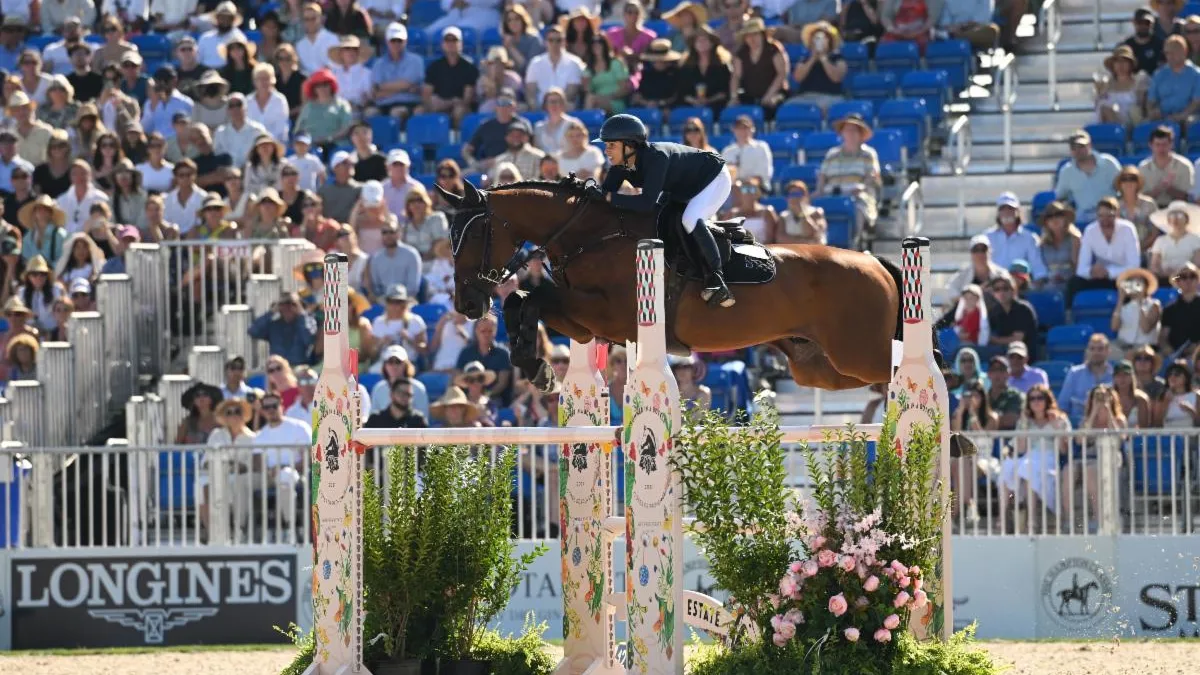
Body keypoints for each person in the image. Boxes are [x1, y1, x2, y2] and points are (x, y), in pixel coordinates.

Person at [593, 113, 735, 307]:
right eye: (606, 145)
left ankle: (717, 280)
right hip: (684, 187)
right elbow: (604, 194)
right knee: (661, 219)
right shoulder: (621, 164)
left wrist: (609, 198)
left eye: (611, 145)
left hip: (713, 178)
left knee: (690, 219)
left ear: (629, 145)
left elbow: (645, 203)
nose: (606, 150)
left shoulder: (656, 157)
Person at [1001, 384, 1071, 534]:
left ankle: (1031, 521)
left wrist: (1056, 426)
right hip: (1029, 456)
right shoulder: (1025, 421)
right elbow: (1020, 449)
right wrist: (1025, 424)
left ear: (1047, 400)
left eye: (1040, 398)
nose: (1036, 402)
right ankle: (1002, 519)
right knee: (1007, 468)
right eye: (1032, 399)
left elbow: (1063, 450)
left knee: (1027, 468)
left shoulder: (1060, 418)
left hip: (1050, 457)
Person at [249, 390, 310, 543]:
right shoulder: (260, 435)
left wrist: (284, 467)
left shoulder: (299, 427)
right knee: (240, 482)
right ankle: (245, 532)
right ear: (262, 410)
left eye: (274, 406)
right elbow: (256, 460)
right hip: (268, 476)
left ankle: (289, 528)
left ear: (281, 405)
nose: (270, 410)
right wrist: (268, 471)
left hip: (296, 473)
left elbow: (309, 456)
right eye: (266, 407)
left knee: (285, 476)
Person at [818, 113, 881, 238]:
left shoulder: (868, 154)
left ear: (860, 134)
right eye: (847, 130)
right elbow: (822, 177)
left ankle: (854, 244)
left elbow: (873, 177)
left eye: (854, 130)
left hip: (857, 196)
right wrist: (819, 191)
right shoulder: (831, 154)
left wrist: (862, 187)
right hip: (832, 195)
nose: (850, 133)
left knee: (857, 209)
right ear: (842, 133)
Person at [1070, 196, 1141, 303]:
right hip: (1098, 277)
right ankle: (1070, 315)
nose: (1105, 221)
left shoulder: (1128, 229)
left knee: (1134, 284)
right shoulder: (1090, 231)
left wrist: (1109, 272)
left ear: (1117, 214)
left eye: (1109, 216)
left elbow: (1134, 265)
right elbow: (1081, 268)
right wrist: (1091, 271)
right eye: (1101, 216)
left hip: (1122, 277)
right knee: (1074, 283)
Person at [949, 379, 996, 527]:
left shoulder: (991, 417)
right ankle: (969, 504)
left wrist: (973, 413)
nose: (972, 399)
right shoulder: (959, 414)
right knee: (960, 462)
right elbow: (955, 435)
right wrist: (961, 411)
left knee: (960, 463)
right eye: (968, 395)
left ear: (983, 397)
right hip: (962, 458)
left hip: (983, 459)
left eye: (975, 395)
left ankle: (953, 516)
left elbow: (982, 438)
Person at [1055, 130, 1122, 223]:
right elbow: (1060, 198)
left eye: (1081, 146)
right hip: (1083, 219)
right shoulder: (1066, 171)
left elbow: (1123, 188)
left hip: (1111, 214)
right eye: (1074, 148)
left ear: (1090, 145)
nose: (1078, 150)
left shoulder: (1109, 163)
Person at [419, 27, 479, 125]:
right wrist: (433, 103)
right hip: (439, 105)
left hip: (459, 106)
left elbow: (467, 99)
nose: (451, 43)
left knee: (459, 111)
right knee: (419, 111)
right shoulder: (434, 67)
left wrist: (447, 103)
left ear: (461, 44)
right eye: (447, 40)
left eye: (454, 40)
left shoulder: (469, 67)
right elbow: (426, 94)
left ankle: (458, 139)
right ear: (442, 44)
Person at [985, 192, 1048, 283]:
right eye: (1003, 209)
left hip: (1021, 286)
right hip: (994, 287)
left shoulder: (1030, 238)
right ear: (998, 213)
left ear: (1018, 212)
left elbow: (1037, 267)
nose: (1007, 212)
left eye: (1010, 208)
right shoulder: (987, 237)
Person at [370, 23, 426, 119]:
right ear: (387, 42)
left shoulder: (416, 60)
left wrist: (382, 87)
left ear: (405, 41)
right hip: (383, 105)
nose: (396, 44)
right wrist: (405, 89)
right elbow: (375, 93)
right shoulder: (378, 63)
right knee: (370, 113)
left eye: (399, 41)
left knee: (396, 113)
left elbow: (406, 84)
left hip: (409, 104)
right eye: (393, 40)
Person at [788, 20, 847, 112]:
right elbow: (797, 77)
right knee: (788, 107)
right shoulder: (805, 59)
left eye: (823, 38)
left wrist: (823, 58)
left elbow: (837, 77)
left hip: (830, 97)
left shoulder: (837, 59)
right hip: (805, 97)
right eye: (816, 38)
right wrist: (813, 58)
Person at [248, 291, 317, 367]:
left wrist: (301, 313)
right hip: (277, 368)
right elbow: (253, 331)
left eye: (292, 305)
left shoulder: (308, 321)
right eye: (283, 304)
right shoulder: (274, 325)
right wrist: (271, 311)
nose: (288, 308)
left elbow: (308, 340)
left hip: (300, 367)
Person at [455, 313, 513, 403]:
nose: (486, 334)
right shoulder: (466, 352)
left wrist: (484, 396)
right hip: (468, 399)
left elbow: (502, 383)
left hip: (494, 399)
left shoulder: (503, 354)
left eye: (490, 331)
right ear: (476, 331)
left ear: (495, 331)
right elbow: (457, 377)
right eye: (483, 331)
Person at [1059, 333, 1115, 423]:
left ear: (1108, 351)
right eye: (1092, 349)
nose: (1096, 352)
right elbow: (1063, 405)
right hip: (1078, 426)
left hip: (1109, 426)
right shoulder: (1074, 373)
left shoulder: (1115, 374)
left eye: (1100, 349)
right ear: (1087, 351)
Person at [677, 25, 731, 117]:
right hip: (691, 107)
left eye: (705, 40)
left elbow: (725, 91)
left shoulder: (722, 66)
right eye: (698, 41)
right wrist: (694, 101)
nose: (701, 43)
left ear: (712, 43)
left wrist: (709, 100)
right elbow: (682, 91)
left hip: (717, 107)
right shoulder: (686, 66)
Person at [1148, 35, 1200, 122]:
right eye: (1167, 53)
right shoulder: (1159, 74)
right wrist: (1153, 111)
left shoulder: (1196, 74)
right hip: (1163, 117)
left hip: (1188, 117)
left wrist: (1182, 116)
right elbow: (1151, 101)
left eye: (1174, 52)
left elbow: (1196, 102)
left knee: (1190, 121)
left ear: (1184, 52)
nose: (1170, 56)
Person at [1139, 126, 1193, 208]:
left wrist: (1169, 189)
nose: (1161, 148)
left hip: (1178, 209)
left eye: (1164, 144)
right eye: (1157, 145)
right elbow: (1140, 198)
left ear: (1171, 144)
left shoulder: (1184, 166)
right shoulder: (1143, 168)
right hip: (1151, 209)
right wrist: (1159, 189)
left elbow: (1188, 197)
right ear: (1150, 145)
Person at [986, 273, 1039, 356]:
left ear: (1013, 290)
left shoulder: (1023, 309)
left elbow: (1017, 339)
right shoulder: (994, 311)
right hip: (1003, 354)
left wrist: (993, 340)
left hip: (1024, 356)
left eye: (1005, 288)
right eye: (997, 289)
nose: (1001, 292)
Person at [1096, 45, 1148, 125]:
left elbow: (1142, 108)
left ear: (1130, 64)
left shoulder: (1139, 83)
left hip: (1133, 124)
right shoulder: (1106, 84)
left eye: (1124, 61)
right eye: (1117, 61)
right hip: (1111, 126)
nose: (1121, 65)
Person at [1148, 200, 1200, 280]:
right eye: (1172, 216)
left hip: (1188, 280)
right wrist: (1165, 274)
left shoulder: (1195, 240)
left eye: (1179, 215)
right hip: (1164, 280)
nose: (1175, 219)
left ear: (1186, 219)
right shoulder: (1160, 240)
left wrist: (1179, 274)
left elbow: (1197, 265)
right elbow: (1154, 265)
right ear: (1168, 220)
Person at [1037, 201, 1082, 294]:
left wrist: (1064, 277)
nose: (1054, 219)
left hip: (1070, 283)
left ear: (1065, 219)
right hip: (1049, 282)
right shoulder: (1042, 244)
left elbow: (1078, 268)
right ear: (1046, 223)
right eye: (1050, 217)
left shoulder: (1075, 240)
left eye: (1058, 215)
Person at [1114, 166, 1158, 253]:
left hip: (1146, 250)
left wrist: (1138, 248)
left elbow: (1154, 233)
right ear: (1119, 183)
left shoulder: (1149, 204)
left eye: (1132, 179)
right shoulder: (1114, 206)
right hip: (1121, 252)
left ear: (1138, 183)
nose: (1128, 182)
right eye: (1124, 179)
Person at [1159, 261, 1200, 353]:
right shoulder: (1169, 309)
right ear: (1178, 282)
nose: (1188, 280)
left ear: (1198, 280)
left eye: (1192, 276)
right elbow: (1163, 337)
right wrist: (1168, 349)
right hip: (1175, 355)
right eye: (1184, 277)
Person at [721, 115, 772, 186]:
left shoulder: (761, 147)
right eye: (739, 128)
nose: (743, 131)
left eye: (746, 128)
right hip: (734, 187)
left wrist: (751, 182)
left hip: (757, 187)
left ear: (753, 129)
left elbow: (764, 173)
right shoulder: (727, 151)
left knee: (746, 190)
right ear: (734, 130)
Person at [632, 39, 682, 110]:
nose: (659, 62)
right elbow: (639, 93)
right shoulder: (646, 73)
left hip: (669, 109)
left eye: (662, 60)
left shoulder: (675, 73)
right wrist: (645, 102)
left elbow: (677, 95)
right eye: (656, 60)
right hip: (647, 109)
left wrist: (661, 103)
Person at [365, 376, 429, 429]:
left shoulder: (418, 420)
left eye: (409, 394)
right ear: (391, 395)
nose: (405, 397)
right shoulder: (375, 419)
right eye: (401, 393)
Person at [775, 180, 827, 245]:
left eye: (798, 194)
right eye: (792, 195)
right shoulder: (783, 215)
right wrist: (806, 242)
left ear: (806, 196)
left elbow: (811, 233)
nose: (795, 198)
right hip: (793, 252)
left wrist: (801, 213)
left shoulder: (817, 212)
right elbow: (780, 239)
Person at [320, 152, 363, 224]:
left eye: (351, 162)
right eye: (345, 163)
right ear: (335, 168)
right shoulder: (323, 191)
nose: (350, 165)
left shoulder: (362, 189)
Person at [1155, 359, 1199, 427]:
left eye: (1177, 373)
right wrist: (1165, 403)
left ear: (1186, 377)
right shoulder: (1162, 397)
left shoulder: (1196, 396)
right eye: (1170, 374)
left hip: (1190, 437)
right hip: (1168, 436)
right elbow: (1156, 425)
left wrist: (1191, 411)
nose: (1172, 377)